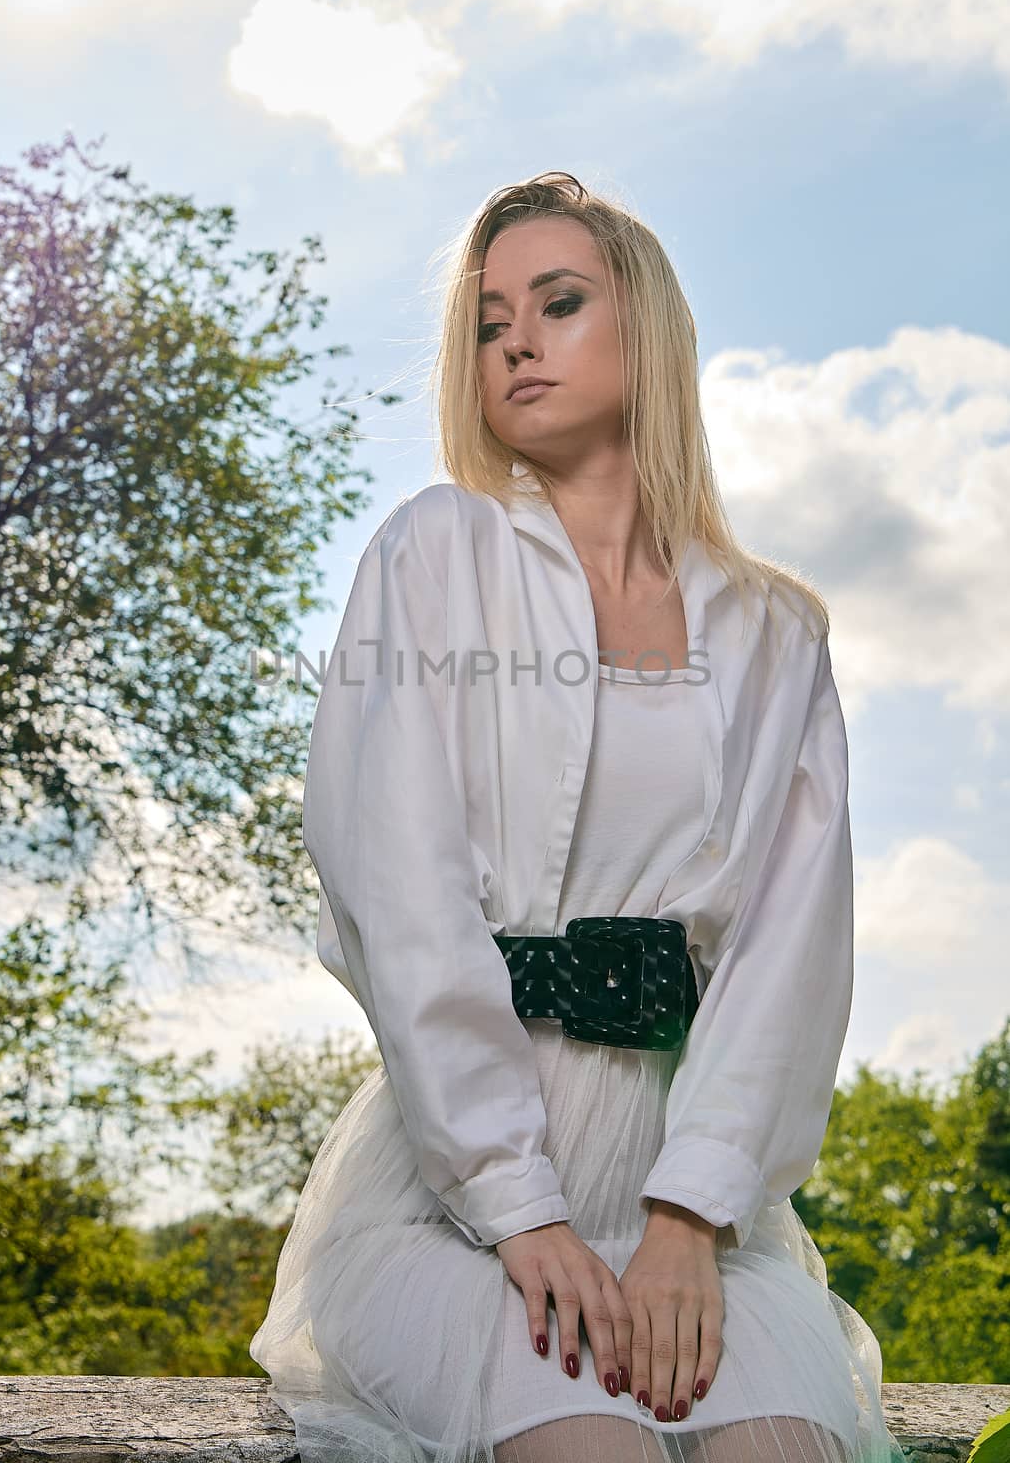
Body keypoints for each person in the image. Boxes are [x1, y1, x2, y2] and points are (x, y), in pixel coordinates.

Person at [249, 173, 906, 1463]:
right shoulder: (435, 553)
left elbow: (789, 954)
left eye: (557, 303)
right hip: (455, 1203)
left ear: (647, 330)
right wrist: (519, 1210)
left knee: (781, 1448)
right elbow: (397, 887)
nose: (517, 342)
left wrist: (692, 1220)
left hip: (685, 1203)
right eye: (490, 323)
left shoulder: (779, 631)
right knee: (585, 1446)